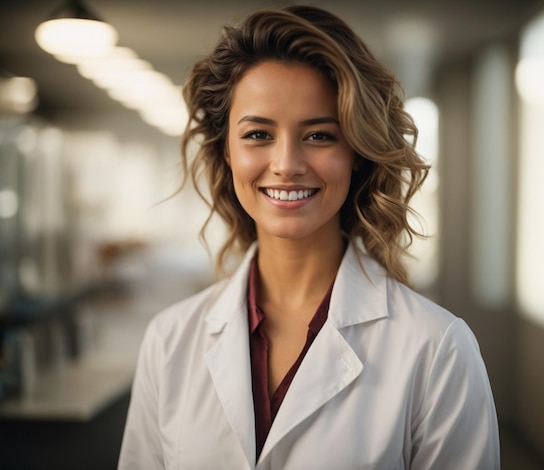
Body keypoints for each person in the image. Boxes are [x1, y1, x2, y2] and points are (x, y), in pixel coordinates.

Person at [118, 5, 500, 469]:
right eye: (258, 133)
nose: (286, 163)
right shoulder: (170, 340)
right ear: (226, 152)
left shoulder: (437, 348)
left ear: (357, 151)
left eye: (319, 136)